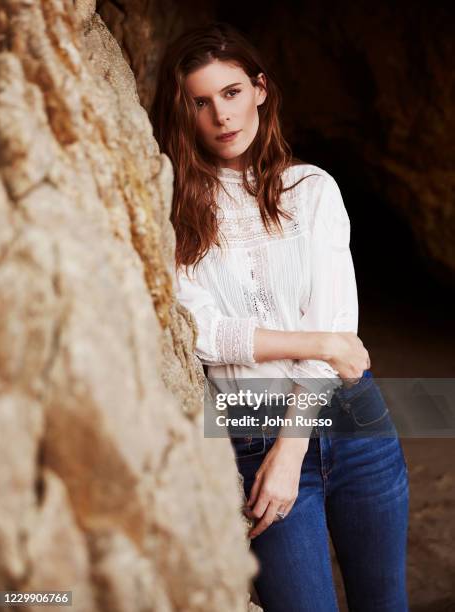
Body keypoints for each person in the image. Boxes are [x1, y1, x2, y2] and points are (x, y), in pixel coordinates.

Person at [150, 21, 409, 612]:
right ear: (185, 113)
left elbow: (340, 322)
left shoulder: (311, 189)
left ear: (261, 89)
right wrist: (317, 340)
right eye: (202, 102)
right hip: (250, 427)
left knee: (386, 602)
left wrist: (291, 447)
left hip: (354, 423)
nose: (222, 115)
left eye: (233, 92)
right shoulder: (174, 213)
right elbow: (207, 337)